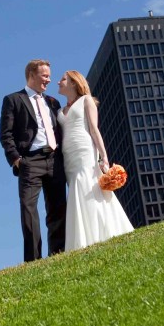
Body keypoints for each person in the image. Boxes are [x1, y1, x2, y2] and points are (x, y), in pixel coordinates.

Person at [57, 70, 133, 251]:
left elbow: (94, 129)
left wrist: (103, 156)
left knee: (89, 187)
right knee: (76, 190)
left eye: (63, 79)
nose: (58, 82)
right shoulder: (59, 110)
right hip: (68, 157)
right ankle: (81, 239)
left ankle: (101, 233)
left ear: (74, 83)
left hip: (84, 150)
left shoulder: (87, 101)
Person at [0, 59, 67, 263]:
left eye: (49, 75)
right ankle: (33, 260)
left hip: (55, 160)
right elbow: (5, 134)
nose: (49, 79)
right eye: (45, 75)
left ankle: (58, 254)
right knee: (29, 209)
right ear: (31, 75)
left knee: (57, 209)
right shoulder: (13, 100)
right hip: (30, 161)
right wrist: (16, 160)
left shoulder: (53, 102)